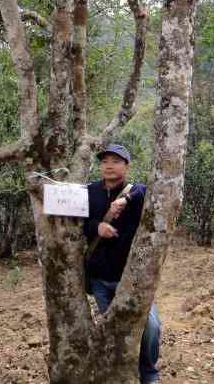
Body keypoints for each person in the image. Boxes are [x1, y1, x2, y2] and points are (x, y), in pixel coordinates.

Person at [83, 143, 161, 384]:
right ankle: (121, 372)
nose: (109, 165)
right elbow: (77, 224)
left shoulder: (135, 193)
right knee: (114, 330)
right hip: (99, 279)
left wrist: (126, 200)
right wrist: (97, 226)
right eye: (105, 161)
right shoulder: (89, 191)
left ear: (126, 166)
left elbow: (149, 190)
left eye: (116, 161)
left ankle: (148, 372)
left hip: (130, 278)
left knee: (151, 327)